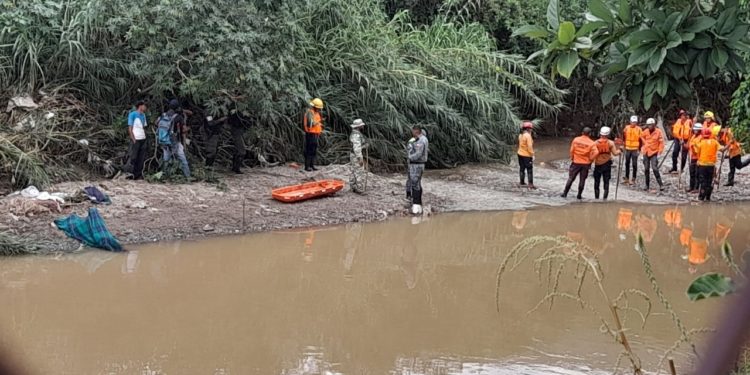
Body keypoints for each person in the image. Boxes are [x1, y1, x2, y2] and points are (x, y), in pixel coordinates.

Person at [561, 127, 599, 200]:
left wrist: (572, 158)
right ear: (589, 134)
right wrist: (591, 159)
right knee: (582, 180)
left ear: (582, 133)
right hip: (585, 163)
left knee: (571, 178)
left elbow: (572, 150)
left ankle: (565, 193)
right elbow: (596, 152)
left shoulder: (576, 140)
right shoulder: (592, 143)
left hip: (576, 162)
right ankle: (579, 195)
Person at [156, 99, 190, 178]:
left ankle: (165, 175)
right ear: (177, 107)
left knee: (166, 159)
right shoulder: (178, 117)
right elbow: (184, 130)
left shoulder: (163, 115)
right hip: (174, 141)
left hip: (164, 140)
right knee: (182, 159)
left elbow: (156, 123)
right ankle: (188, 176)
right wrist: (188, 128)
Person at [694, 127, 724, 201]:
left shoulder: (700, 143)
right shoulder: (714, 142)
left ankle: (701, 197)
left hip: (702, 165)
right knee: (710, 181)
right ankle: (708, 197)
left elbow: (696, 151)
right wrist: (729, 144)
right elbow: (722, 149)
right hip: (711, 165)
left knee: (703, 182)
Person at [593, 126, 621, 200]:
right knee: (606, 182)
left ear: (600, 134)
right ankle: (605, 199)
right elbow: (615, 153)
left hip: (598, 164)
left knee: (596, 182)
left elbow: (592, 154)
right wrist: (620, 150)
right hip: (607, 165)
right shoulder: (610, 143)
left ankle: (596, 198)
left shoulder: (595, 143)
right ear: (608, 134)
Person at [407, 126, 429, 214]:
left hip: (417, 164)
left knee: (415, 183)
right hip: (418, 164)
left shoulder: (421, 140)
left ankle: (416, 206)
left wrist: (410, 157)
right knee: (417, 183)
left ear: (416, 131)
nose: (412, 133)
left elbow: (419, 153)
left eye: (413, 131)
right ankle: (418, 203)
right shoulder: (421, 139)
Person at [641, 118, 665, 192]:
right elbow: (641, 136)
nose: (650, 126)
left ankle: (661, 184)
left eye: (651, 125)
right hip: (646, 152)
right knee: (646, 169)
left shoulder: (658, 132)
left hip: (654, 152)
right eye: (649, 125)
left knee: (655, 168)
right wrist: (645, 143)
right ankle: (647, 185)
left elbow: (661, 142)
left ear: (654, 125)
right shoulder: (645, 131)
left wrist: (660, 151)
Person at [127, 101, 148, 180]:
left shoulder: (143, 115)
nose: (145, 108)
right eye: (144, 106)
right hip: (136, 138)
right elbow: (130, 128)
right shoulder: (132, 114)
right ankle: (131, 173)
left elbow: (143, 127)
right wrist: (133, 138)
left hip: (142, 138)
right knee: (134, 156)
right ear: (140, 106)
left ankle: (138, 174)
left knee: (141, 157)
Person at [303, 98, 325, 172]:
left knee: (314, 150)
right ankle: (307, 166)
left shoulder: (316, 113)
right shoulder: (310, 112)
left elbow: (315, 122)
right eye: (318, 108)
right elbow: (310, 124)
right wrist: (318, 122)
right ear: (315, 107)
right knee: (309, 150)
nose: (319, 110)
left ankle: (312, 165)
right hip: (310, 134)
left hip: (315, 134)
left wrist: (319, 123)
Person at [670, 109, 693, 174]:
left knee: (684, 155)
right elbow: (675, 132)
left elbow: (691, 133)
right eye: (681, 115)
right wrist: (680, 139)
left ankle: (681, 168)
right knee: (675, 152)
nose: (682, 117)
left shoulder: (689, 122)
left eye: (684, 115)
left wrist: (687, 142)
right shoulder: (678, 121)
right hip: (678, 139)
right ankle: (674, 167)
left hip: (686, 140)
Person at [349, 119, 367, 194]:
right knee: (359, 171)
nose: (363, 126)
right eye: (361, 125)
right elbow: (356, 148)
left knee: (354, 170)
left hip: (353, 154)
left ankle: (353, 186)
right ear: (359, 126)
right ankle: (360, 188)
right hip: (356, 155)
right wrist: (360, 158)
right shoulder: (356, 135)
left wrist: (363, 146)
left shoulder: (355, 134)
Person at [623, 115, 642, 185]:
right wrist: (623, 145)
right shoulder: (626, 128)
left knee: (634, 164)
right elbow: (624, 137)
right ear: (630, 122)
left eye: (635, 122)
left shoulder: (639, 129)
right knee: (627, 163)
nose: (634, 123)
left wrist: (639, 149)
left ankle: (634, 178)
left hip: (635, 149)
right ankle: (627, 177)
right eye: (633, 122)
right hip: (628, 148)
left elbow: (641, 140)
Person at [227, 109, 248, 174]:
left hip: (238, 132)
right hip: (237, 132)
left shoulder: (235, 111)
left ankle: (235, 167)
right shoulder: (236, 113)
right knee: (242, 152)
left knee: (237, 151)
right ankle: (236, 168)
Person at [517, 121, 536, 189]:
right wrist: (532, 155)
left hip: (520, 154)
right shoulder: (528, 136)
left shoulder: (520, 135)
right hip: (526, 155)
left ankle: (522, 182)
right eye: (531, 128)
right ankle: (530, 184)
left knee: (522, 168)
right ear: (528, 129)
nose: (531, 129)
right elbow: (529, 147)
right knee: (529, 169)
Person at [687, 123, 703, 193]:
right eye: (694, 130)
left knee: (697, 173)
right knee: (692, 172)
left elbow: (699, 148)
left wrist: (694, 146)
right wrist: (684, 145)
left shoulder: (701, 138)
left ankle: (696, 188)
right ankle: (691, 187)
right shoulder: (693, 136)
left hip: (699, 157)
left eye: (696, 130)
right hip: (693, 157)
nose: (695, 131)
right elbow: (689, 146)